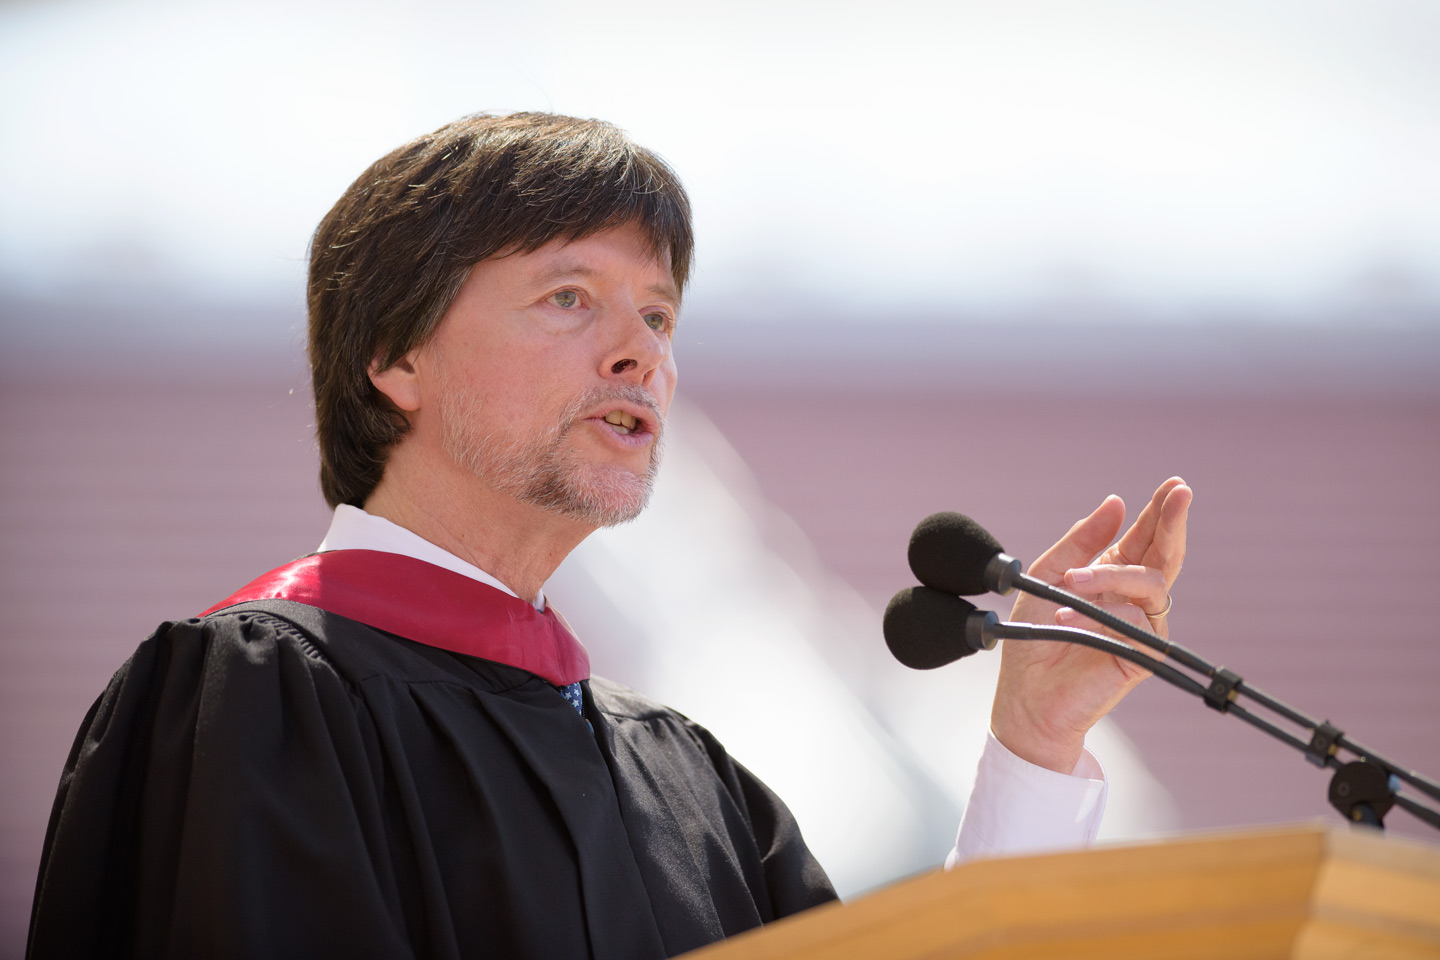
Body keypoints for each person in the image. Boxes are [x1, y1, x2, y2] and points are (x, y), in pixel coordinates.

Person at [27, 112, 1191, 959]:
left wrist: (1034, 745)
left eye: (659, 314)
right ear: (396, 359)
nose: (642, 353)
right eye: (569, 297)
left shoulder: (683, 780)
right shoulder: (256, 700)